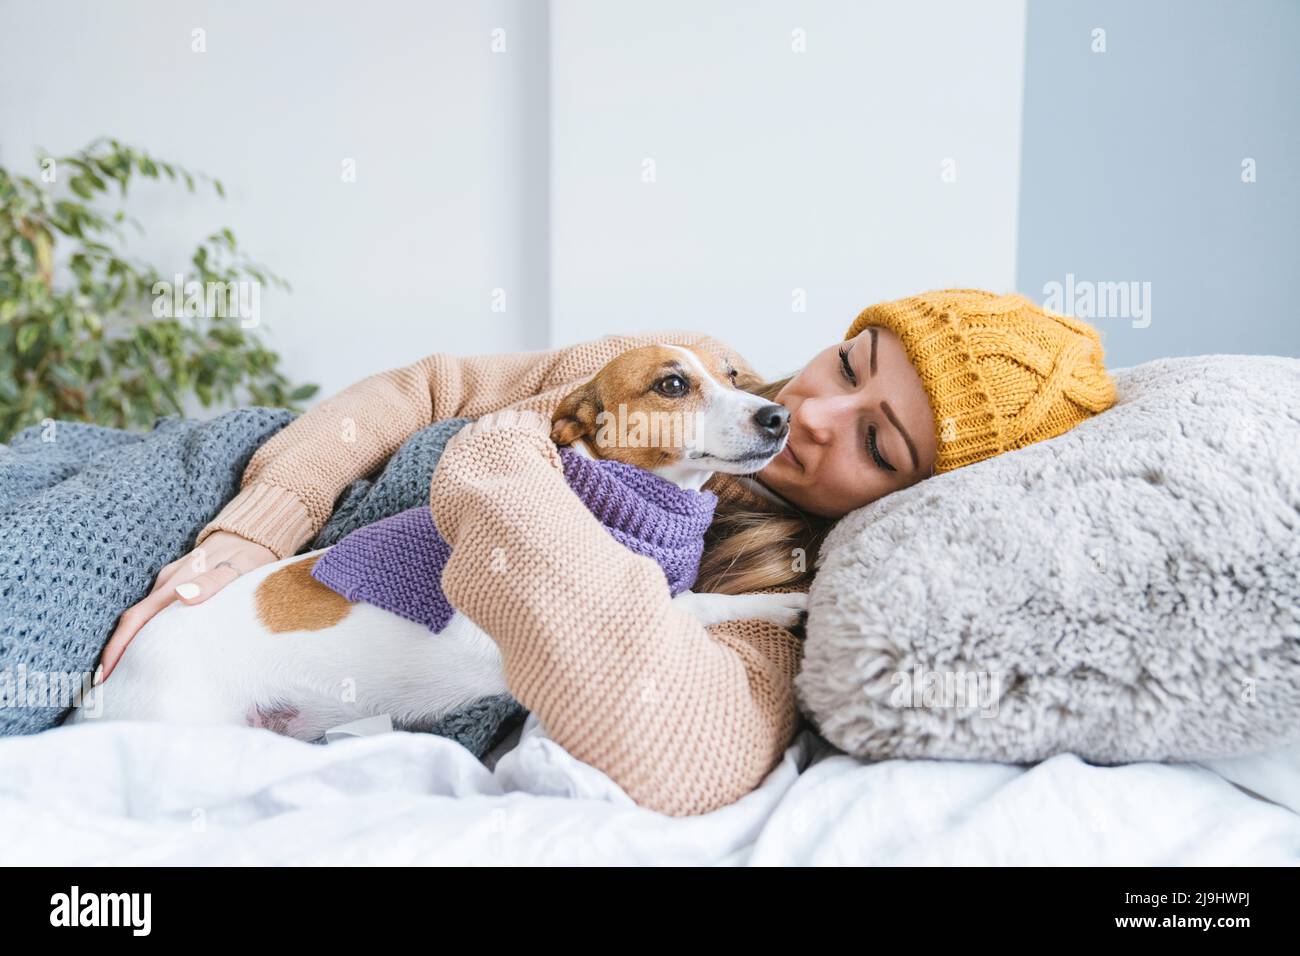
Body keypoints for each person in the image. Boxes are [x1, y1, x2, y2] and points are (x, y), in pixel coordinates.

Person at [98, 289, 1117, 816]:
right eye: (848, 362)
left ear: (914, 502)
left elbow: (670, 742)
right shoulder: (679, 366)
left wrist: (504, 464)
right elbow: (430, 390)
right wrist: (248, 526)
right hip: (229, 525)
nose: (808, 412)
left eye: (875, 441)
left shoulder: (782, 587)